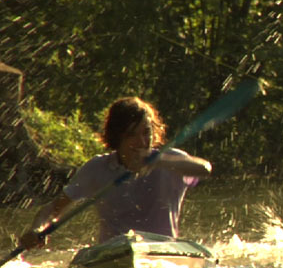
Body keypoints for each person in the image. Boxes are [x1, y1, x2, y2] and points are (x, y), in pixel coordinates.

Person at [19, 97, 212, 248]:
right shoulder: (97, 168)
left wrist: (159, 162)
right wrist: (36, 230)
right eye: (132, 135)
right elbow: (54, 209)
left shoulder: (170, 161)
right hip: (114, 251)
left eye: (146, 132)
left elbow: (204, 169)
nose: (142, 142)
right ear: (117, 137)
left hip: (162, 250)